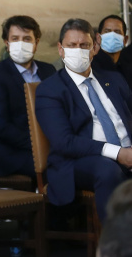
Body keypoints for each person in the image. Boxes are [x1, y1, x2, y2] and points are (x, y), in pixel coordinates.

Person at [35, 18, 132, 221]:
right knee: (108, 169)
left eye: (84, 45)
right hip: (80, 161)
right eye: (72, 45)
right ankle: (117, 245)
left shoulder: (113, 79)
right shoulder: (50, 89)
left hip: (127, 154)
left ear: (95, 47)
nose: (78, 50)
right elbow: (64, 142)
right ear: (61, 49)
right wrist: (117, 153)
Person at [0, 15, 56, 179]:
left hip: (52, 145)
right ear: (6, 44)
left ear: (36, 43)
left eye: (27, 39)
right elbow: (2, 128)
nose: (20, 44)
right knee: (61, 167)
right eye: (15, 39)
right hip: (13, 154)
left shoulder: (49, 71)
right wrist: (43, 144)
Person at [95, 15, 132, 88]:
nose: (112, 35)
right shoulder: (91, 67)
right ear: (98, 38)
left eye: (117, 32)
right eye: (107, 31)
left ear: (125, 40)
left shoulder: (127, 67)